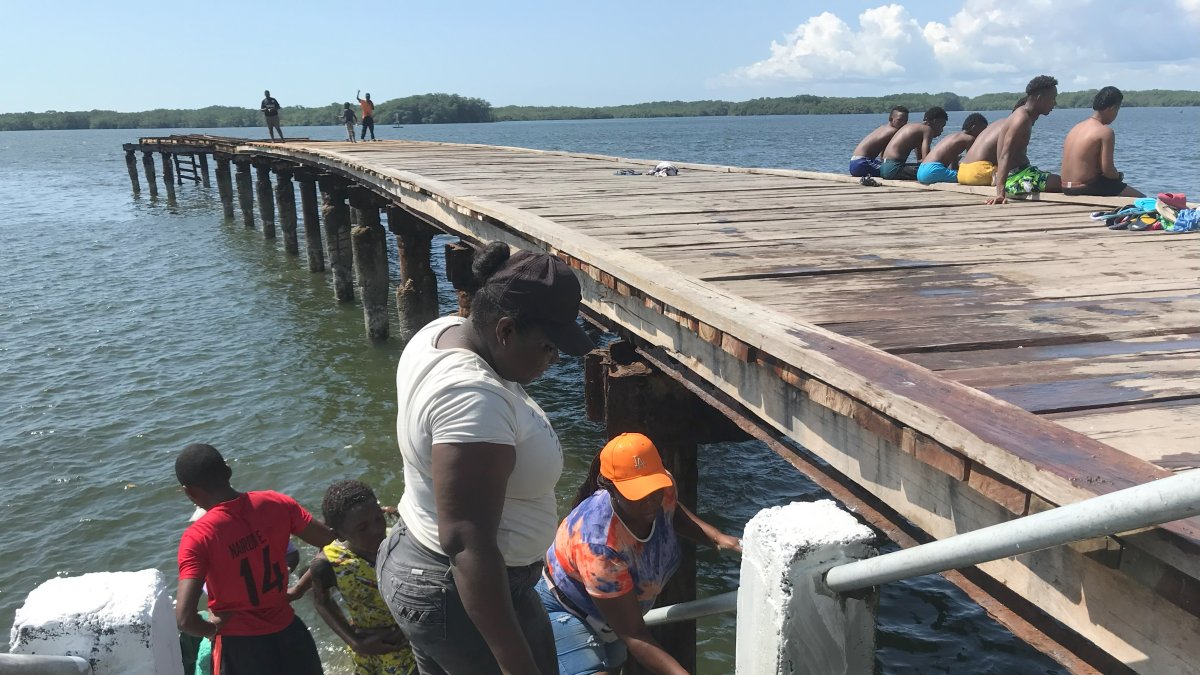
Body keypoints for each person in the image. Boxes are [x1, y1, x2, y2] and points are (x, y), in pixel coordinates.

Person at [378, 242, 595, 675]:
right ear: (505, 330)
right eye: (548, 346)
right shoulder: (473, 398)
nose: (554, 359)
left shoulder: (441, 331)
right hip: (460, 591)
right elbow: (465, 541)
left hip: (428, 564)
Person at [537, 433, 741, 675]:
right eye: (636, 494)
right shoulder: (598, 544)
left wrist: (717, 538)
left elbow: (670, 509)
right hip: (567, 609)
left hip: (614, 618)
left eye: (653, 489)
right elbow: (634, 633)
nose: (649, 501)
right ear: (610, 488)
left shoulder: (662, 486)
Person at [174, 443, 334, 675]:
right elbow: (332, 544)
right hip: (291, 636)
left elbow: (184, 619)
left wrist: (211, 629)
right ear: (228, 471)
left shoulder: (199, 537)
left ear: (189, 492)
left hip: (240, 649)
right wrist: (299, 589)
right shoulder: (276, 503)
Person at [183, 506, 313, 675]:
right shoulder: (208, 552)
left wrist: (211, 628)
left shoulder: (212, 550)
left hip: (239, 639)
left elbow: (185, 618)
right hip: (272, 628)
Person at [311, 480, 415, 675]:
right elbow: (322, 602)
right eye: (362, 528)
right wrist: (355, 642)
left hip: (414, 638)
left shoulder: (398, 542)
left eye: (378, 518)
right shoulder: (330, 564)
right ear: (339, 534)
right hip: (372, 647)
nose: (376, 530)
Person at [987, 75, 1063, 204]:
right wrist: (1000, 193)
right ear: (1039, 98)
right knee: (1066, 184)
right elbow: (1005, 155)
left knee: (1066, 181)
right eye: (1052, 98)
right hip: (1014, 179)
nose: (1055, 103)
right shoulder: (1021, 120)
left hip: (1023, 173)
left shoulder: (1025, 115)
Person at [1060, 86, 1144, 197]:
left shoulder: (1075, 128)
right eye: (1117, 110)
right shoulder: (1105, 132)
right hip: (1084, 187)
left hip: (1065, 187)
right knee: (1143, 199)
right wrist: (1118, 176)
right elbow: (1108, 171)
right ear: (1112, 108)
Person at [957, 97, 1027, 188]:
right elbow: (1016, 159)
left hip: (962, 171)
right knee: (1020, 172)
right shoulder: (1015, 125)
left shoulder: (998, 123)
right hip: (978, 174)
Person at [880, 107, 949, 181]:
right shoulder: (927, 130)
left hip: (884, 168)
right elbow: (927, 162)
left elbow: (920, 161)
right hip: (894, 169)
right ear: (935, 122)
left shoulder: (916, 128)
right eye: (942, 126)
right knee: (935, 172)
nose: (942, 130)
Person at [917, 113, 988, 185]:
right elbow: (972, 163)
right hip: (933, 171)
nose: (983, 134)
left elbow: (953, 167)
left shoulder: (952, 136)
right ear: (974, 128)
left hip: (921, 171)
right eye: (982, 131)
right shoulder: (969, 139)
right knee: (970, 177)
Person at [848, 106, 909, 177]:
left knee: (887, 167)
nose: (903, 123)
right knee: (892, 170)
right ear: (891, 119)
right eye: (900, 120)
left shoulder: (882, 128)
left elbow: (883, 153)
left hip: (854, 163)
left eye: (905, 121)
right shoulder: (893, 131)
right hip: (862, 163)